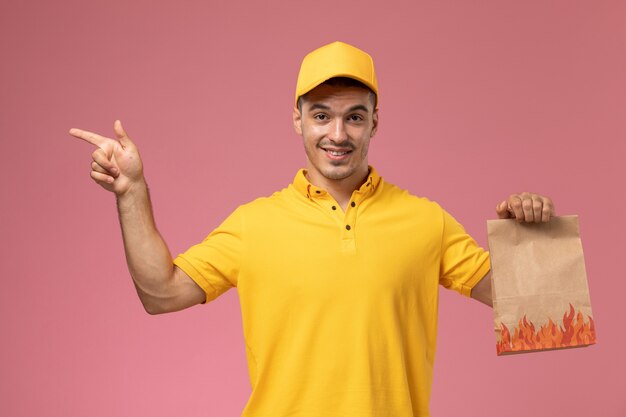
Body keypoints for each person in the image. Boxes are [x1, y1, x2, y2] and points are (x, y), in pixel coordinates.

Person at [70, 41, 554, 417]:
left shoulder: (427, 221)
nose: (338, 135)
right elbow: (161, 294)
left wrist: (528, 235)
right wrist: (132, 193)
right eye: (321, 116)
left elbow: (531, 304)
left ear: (375, 123)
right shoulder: (254, 224)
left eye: (354, 117)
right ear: (297, 119)